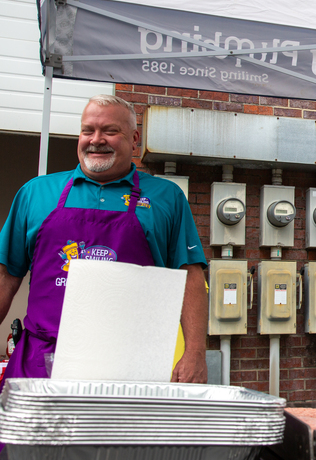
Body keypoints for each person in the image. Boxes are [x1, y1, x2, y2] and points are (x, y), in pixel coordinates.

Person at [0, 94, 209, 389]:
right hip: (43, 360)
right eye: (88, 130)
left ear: (134, 138)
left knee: (119, 436)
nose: (96, 140)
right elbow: (6, 275)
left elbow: (190, 276)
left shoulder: (167, 197)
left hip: (132, 366)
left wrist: (195, 353)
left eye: (110, 131)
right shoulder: (36, 193)